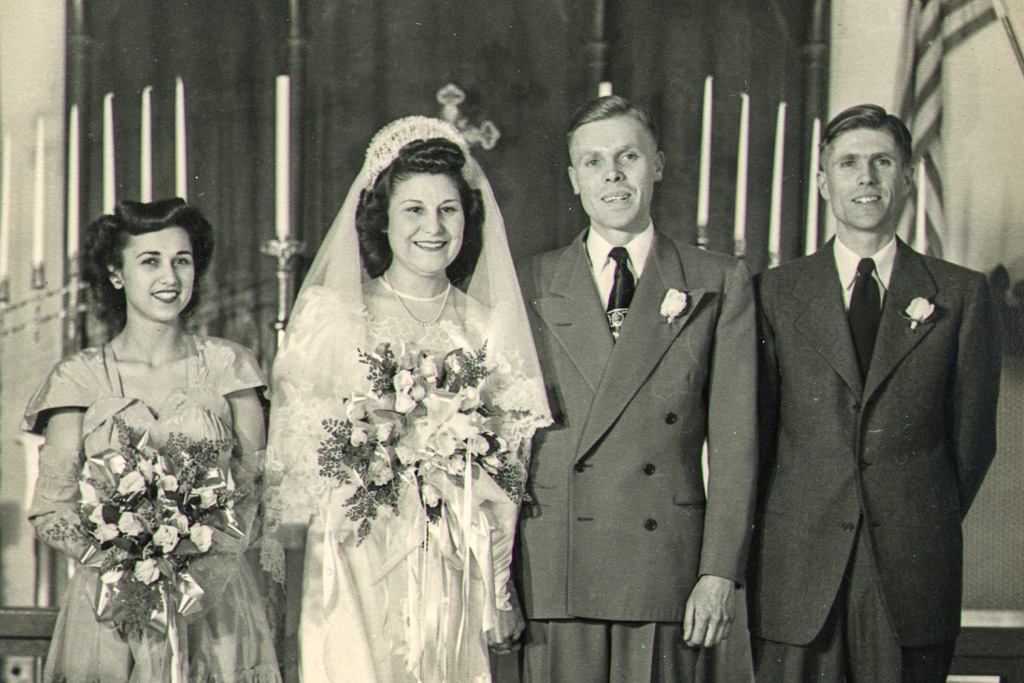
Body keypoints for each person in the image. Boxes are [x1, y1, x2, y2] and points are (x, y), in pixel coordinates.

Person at [261, 117, 551, 682]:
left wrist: (496, 583)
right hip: (352, 558)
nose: (433, 227)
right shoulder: (333, 316)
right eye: (414, 209)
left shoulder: (487, 329)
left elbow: (510, 471)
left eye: (448, 209)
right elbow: (292, 468)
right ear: (382, 218)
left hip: (451, 561)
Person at [748, 104, 1002, 681]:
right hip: (797, 572)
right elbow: (755, 440)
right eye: (849, 163)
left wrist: (913, 512)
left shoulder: (960, 296)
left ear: (907, 177)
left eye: (882, 162)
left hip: (911, 574)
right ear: (822, 181)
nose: (866, 177)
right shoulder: (773, 294)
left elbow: (971, 445)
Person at [515, 95, 758, 682]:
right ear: (575, 179)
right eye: (594, 162)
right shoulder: (531, 281)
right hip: (557, 567)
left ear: (660, 165)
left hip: (667, 574)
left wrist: (719, 572)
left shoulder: (716, 280)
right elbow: (504, 449)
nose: (613, 175)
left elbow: (737, 444)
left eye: (629, 157)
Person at [24, 198, 280, 682]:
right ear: (116, 274)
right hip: (111, 605)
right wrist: (126, 560)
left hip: (218, 606)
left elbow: (257, 494)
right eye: (150, 261)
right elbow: (50, 510)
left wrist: (195, 563)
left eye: (182, 260)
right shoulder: (78, 377)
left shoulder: (232, 369)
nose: (170, 276)